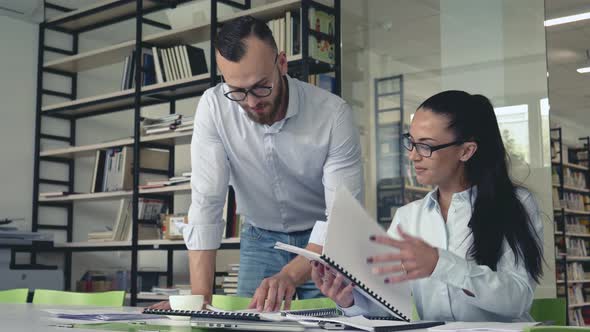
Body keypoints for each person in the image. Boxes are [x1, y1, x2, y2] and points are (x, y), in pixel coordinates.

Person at [150, 15, 363, 312]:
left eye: (261, 87)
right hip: (260, 236)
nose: (250, 102)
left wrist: (289, 275)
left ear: (282, 64)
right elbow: (206, 203)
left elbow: (342, 217)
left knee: (332, 321)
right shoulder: (214, 107)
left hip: (323, 238)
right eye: (237, 91)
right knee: (248, 323)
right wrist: (199, 299)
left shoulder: (332, 115)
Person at [311, 90, 544, 321]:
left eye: (426, 146)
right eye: (411, 143)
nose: (413, 156)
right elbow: (388, 303)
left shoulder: (516, 204)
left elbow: (518, 299)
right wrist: (350, 301)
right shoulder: (408, 218)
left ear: (466, 151)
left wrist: (441, 264)